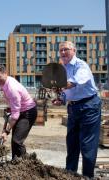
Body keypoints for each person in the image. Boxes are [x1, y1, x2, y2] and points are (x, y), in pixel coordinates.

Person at [54, 41, 101, 178]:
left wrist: (60, 86)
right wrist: (61, 99)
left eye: (66, 49)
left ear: (74, 50)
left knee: (87, 145)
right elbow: (68, 92)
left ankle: (87, 176)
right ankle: (70, 174)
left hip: (89, 106)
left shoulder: (81, 65)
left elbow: (74, 82)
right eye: (61, 50)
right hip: (73, 107)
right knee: (72, 143)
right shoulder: (63, 68)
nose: (63, 52)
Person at [0, 64, 37, 159]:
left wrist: (6, 131)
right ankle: (15, 161)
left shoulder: (12, 88)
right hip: (20, 111)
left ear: (5, 74)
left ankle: (25, 162)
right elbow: (14, 108)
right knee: (15, 141)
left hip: (27, 113)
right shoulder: (5, 84)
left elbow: (15, 115)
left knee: (17, 141)